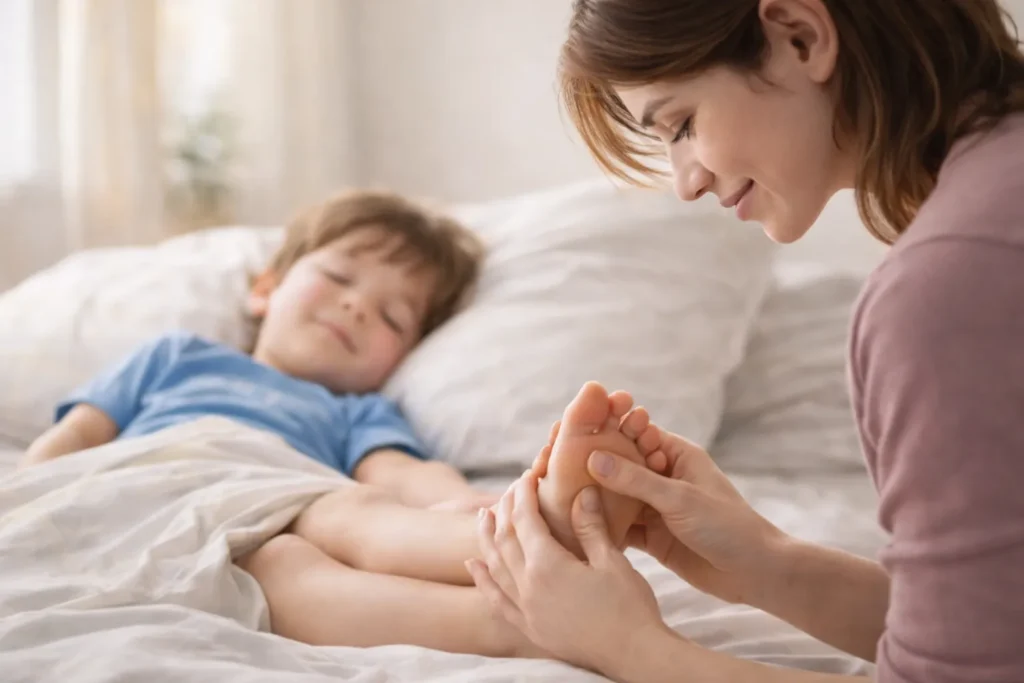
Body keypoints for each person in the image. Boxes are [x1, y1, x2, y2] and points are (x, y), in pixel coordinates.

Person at [467, 0, 1024, 681]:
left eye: (682, 124)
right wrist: (766, 562)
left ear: (800, 36)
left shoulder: (950, 285)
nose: (686, 182)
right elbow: (994, 630)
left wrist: (630, 649)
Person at [17, 188, 659, 658]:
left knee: (324, 536)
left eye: (391, 316)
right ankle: (514, 612)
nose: (355, 306)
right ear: (266, 288)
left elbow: (400, 475)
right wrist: (27, 494)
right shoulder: (177, 355)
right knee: (317, 541)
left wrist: (466, 501)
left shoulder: (357, 412)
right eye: (338, 276)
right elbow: (75, 437)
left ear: (400, 359)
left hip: (272, 504)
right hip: (146, 485)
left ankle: (531, 538)